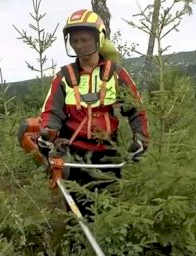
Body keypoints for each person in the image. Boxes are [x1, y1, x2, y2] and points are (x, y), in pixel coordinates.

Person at [37, 9, 149, 218]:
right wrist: (47, 134)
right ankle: (78, 247)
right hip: (74, 155)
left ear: (99, 38)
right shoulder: (64, 77)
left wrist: (140, 139)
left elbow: (136, 111)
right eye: (75, 40)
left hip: (109, 154)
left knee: (110, 210)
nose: (79, 45)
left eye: (84, 40)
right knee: (77, 214)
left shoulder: (115, 74)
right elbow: (52, 113)